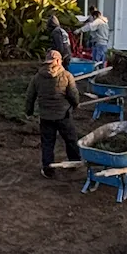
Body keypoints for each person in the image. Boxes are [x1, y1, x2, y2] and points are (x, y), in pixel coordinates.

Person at [25, 48, 82, 178]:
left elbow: (30, 96)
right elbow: (73, 95)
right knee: (71, 139)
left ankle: (48, 169)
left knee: (47, 143)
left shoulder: (37, 78)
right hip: (63, 115)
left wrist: (29, 112)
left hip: (46, 117)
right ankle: (75, 162)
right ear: (57, 61)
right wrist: (76, 105)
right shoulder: (67, 76)